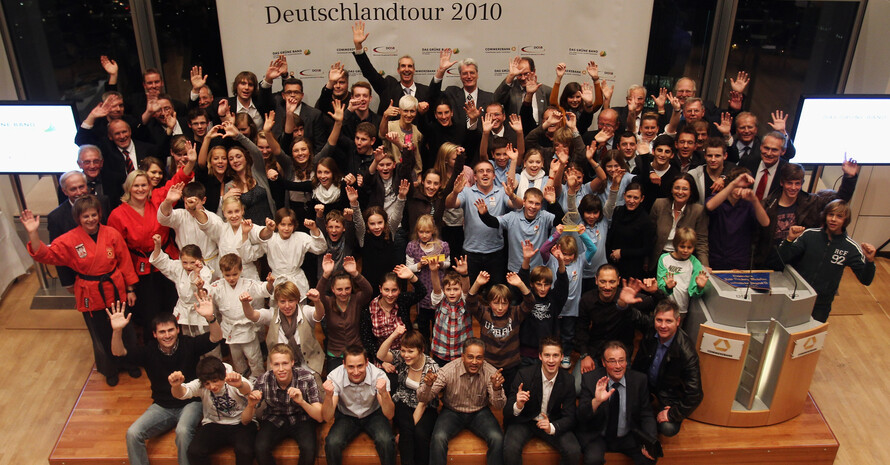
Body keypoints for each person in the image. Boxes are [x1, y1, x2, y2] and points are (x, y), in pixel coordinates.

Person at [22, 196, 139, 386]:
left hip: (115, 288)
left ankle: (131, 362)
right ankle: (110, 368)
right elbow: (46, 255)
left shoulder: (111, 234)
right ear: (78, 218)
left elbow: (125, 261)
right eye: (86, 216)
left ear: (100, 214)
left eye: (94, 215)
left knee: (125, 329)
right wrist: (33, 234)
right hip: (91, 292)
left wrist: (131, 288)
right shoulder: (69, 239)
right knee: (101, 333)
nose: (91, 219)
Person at [109, 298, 223, 465]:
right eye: (162, 332)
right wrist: (117, 331)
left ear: (178, 330)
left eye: (171, 330)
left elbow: (216, 337)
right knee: (133, 433)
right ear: (155, 334)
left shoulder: (189, 344)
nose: (167, 335)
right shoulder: (148, 351)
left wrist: (211, 318)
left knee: (183, 431)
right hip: (162, 406)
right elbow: (118, 352)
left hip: (190, 402)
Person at [780, 200, 876, 322]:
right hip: (797, 296)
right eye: (830, 215)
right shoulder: (809, 235)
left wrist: (870, 261)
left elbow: (866, 280)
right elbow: (783, 258)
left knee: (812, 338)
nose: (833, 219)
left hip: (822, 304)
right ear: (825, 216)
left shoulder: (851, 248)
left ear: (845, 220)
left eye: (839, 216)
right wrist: (789, 240)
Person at [755, 159, 858, 269]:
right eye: (789, 183)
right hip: (770, 261)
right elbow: (755, 239)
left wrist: (849, 178)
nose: (793, 188)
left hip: (800, 262)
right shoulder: (766, 205)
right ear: (782, 182)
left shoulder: (813, 202)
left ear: (802, 183)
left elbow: (838, 202)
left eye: (797, 183)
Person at [418, 338, 507, 465]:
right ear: (463, 357)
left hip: (479, 412)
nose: (475, 362)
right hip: (452, 412)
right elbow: (423, 398)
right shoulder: (448, 370)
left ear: (483, 358)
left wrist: (497, 389)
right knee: (438, 438)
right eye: (470, 357)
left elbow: (499, 406)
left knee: (497, 438)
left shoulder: (490, 372)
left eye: (479, 358)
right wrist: (427, 386)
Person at [503, 337, 581, 465]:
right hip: (525, 421)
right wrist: (518, 405)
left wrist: (552, 427)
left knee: (573, 451)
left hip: (552, 421)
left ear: (562, 357)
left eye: (555, 355)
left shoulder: (568, 380)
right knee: (510, 449)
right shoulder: (524, 375)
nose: (551, 360)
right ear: (540, 356)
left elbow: (570, 416)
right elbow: (507, 412)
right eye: (547, 355)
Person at [577, 341, 658, 465]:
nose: (618, 366)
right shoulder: (591, 379)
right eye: (612, 361)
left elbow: (646, 414)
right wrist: (596, 401)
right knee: (593, 460)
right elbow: (581, 416)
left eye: (621, 360)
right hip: (598, 435)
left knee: (649, 457)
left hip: (628, 434)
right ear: (603, 363)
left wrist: (650, 442)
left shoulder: (639, 380)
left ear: (627, 362)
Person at [630, 300, 703, 437]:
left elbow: (695, 394)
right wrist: (623, 303)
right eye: (659, 320)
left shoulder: (687, 352)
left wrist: (673, 413)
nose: (663, 326)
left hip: (668, 392)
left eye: (668, 321)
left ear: (678, 321)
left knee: (668, 428)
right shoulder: (651, 328)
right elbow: (635, 316)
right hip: (645, 381)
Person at [246, 343, 324, 465]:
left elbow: (319, 417)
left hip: (301, 417)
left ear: (292, 363)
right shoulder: (263, 380)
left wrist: (302, 402)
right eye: (276, 364)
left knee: (309, 449)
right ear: (271, 365)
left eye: (285, 363)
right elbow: (245, 421)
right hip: (274, 417)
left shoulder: (306, 378)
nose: (281, 369)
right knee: (260, 448)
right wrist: (250, 405)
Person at [170, 357, 255, 465]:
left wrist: (240, 385)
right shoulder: (200, 383)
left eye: (215, 381)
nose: (212, 386)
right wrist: (176, 386)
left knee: (245, 451)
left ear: (223, 375)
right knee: (194, 451)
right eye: (207, 384)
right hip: (214, 424)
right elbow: (182, 394)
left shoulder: (234, 378)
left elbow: (249, 390)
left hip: (240, 423)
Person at [322, 344, 396, 465]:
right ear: (344, 364)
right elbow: (327, 417)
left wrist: (383, 394)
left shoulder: (379, 375)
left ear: (367, 362)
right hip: (346, 416)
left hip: (373, 414)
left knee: (386, 441)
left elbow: (389, 414)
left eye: (360, 366)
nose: (356, 372)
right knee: (332, 443)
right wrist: (329, 396)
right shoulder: (334, 377)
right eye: (351, 367)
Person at [376, 326, 440, 465]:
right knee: (407, 431)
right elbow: (380, 355)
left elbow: (423, 403)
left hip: (425, 405)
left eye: (411, 351)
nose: (406, 355)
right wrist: (394, 334)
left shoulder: (433, 368)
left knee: (420, 434)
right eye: (403, 350)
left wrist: (410, 428)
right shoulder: (401, 358)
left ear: (421, 350)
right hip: (403, 400)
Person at [208, 254, 274, 380]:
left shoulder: (248, 284)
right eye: (227, 275)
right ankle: (242, 378)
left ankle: (259, 379)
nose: (231, 278)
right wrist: (200, 287)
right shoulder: (218, 286)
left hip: (246, 327)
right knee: (236, 358)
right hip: (230, 328)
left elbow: (263, 289)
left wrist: (270, 283)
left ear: (241, 270)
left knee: (253, 356)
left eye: (235, 274)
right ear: (221, 272)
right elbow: (206, 292)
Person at [352, 21, 430, 116]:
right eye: (403, 66)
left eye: (410, 66)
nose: (406, 69)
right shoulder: (388, 87)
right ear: (398, 70)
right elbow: (370, 73)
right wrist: (358, 46)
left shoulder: (425, 91)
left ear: (414, 70)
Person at [317, 254, 374, 373]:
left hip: (356, 353)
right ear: (333, 289)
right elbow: (318, 294)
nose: (343, 293)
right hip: (335, 354)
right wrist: (326, 274)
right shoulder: (328, 302)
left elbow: (368, 291)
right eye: (339, 289)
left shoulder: (356, 300)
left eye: (347, 288)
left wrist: (355, 273)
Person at [704, 169, 770, 270]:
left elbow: (765, 223)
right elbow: (709, 206)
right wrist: (734, 183)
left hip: (739, 260)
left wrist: (755, 200)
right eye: (736, 187)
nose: (738, 190)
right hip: (716, 258)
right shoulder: (718, 198)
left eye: (743, 187)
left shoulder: (748, 204)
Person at [650, 173, 710, 270]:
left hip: (684, 261)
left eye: (685, 189)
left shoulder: (698, 211)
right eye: (677, 188)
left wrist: (704, 266)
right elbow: (649, 236)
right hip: (658, 259)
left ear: (691, 191)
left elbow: (701, 242)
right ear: (671, 189)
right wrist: (646, 261)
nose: (680, 192)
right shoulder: (659, 204)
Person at [655, 228, 708, 315]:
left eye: (689, 247)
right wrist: (667, 287)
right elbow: (660, 286)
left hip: (681, 309)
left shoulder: (695, 263)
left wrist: (700, 288)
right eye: (682, 246)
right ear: (676, 245)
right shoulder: (664, 258)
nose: (685, 250)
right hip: (663, 307)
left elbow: (694, 294)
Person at [495, 56, 552, 126]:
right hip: (515, 133)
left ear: (533, 71)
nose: (523, 78)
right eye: (519, 74)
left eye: (526, 74)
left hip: (539, 133)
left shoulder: (546, 91)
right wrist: (511, 76)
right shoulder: (509, 89)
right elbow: (495, 101)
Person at [738, 131, 789, 202]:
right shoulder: (747, 161)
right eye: (766, 148)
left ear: (783, 151)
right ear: (761, 146)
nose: (769, 153)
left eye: (774, 150)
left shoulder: (787, 170)